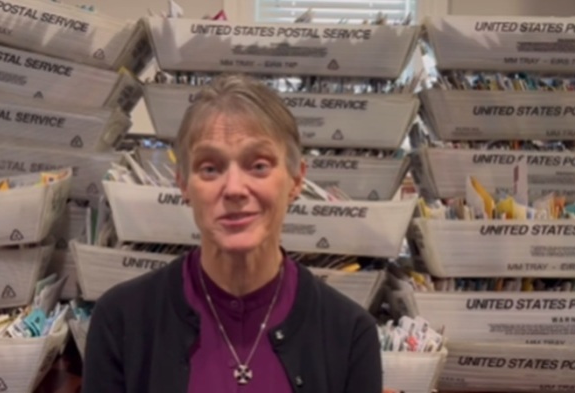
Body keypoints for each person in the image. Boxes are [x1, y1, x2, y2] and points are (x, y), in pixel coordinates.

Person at [82, 73, 383, 393]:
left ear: (296, 180)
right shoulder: (121, 320)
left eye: (258, 165)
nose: (235, 189)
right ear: (183, 184)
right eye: (210, 168)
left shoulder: (349, 333)